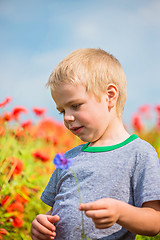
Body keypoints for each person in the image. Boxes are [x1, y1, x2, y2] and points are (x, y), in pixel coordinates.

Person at [31, 48, 160, 240]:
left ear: (110, 96)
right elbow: (55, 212)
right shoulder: (68, 158)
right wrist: (41, 224)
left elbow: (155, 221)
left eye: (75, 105)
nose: (67, 117)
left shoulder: (138, 153)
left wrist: (121, 213)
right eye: (61, 110)